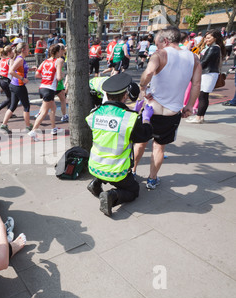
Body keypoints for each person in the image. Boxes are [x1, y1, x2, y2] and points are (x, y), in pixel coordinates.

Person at [133, 27, 202, 190]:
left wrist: (143, 89)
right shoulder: (194, 58)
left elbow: (149, 72)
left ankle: (133, 171)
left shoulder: (160, 55)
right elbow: (197, 84)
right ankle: (152, 179)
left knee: (140, 142)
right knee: (159, 147)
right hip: (172, 112)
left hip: (150, 109)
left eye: (157, 44)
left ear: (165, 41)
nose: (156, 47)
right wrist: (190, 106)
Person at [86, 73, 154, 216]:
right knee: (134, 191)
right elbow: (145, 135)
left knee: (105, 166)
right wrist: (146, 118)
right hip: (117, 171)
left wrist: (132, 113)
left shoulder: (94, 114)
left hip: (94, 166)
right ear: (125, 96)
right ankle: (111, 196)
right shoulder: (130, 119)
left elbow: (113, 128)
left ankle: (96, 183)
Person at [186, 29, 225, 124]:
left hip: (209, 74)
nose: (206, 40)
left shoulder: (214, 48)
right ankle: (200, 117)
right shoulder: (211, 47)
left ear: (215, 38)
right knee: (202, 96)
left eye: (208, 38)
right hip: (207, 73)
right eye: (205, 38)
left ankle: (199, 117)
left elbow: (204, 62)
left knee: (203, 96)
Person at [28, 44, 65, 142]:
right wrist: (62, 74)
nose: (63, 52)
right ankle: (33, 131)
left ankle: (54, 128)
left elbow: (37, 74)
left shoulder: (45, 61)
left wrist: (46, 76)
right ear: (57, 52)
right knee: (44, 112)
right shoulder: (59, 60)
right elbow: (58, 77)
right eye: (61, 51)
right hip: (49, 89)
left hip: (42, 87)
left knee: (53, 109)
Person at [0, 42, 37, 134]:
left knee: (13, 106)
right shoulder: (20, 59)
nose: (29, 50)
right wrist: (22, 79)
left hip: (14, 85)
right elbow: (11, 71)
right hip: (18, 85)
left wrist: (30, 69)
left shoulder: (20, 59)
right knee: (26, 106)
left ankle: (4, 125)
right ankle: (28, 126)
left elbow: (20, 69)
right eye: (28, 48)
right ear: (23, 50)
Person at [0, 46, 13, 120]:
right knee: (10, 98)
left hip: (1, 79)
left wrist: (2, 71)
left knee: (9, 97)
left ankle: (9, 113)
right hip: (7, 80)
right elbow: (11, 70)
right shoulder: (9, 60)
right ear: (9, 53)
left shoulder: (2, 60)